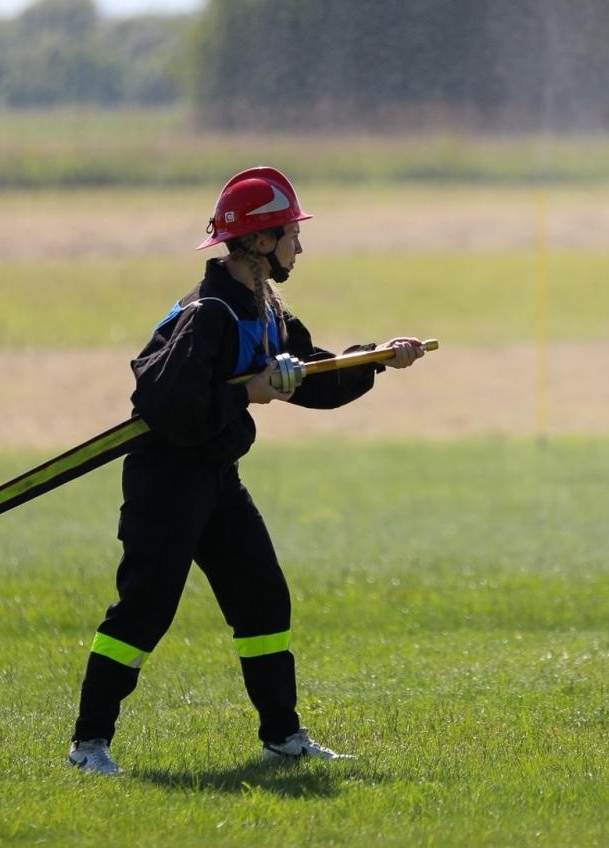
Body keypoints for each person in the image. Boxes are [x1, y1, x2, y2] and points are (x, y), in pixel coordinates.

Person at [67, 166, 426, 776]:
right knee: (144, 611)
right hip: (166, 483)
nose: (299, 246)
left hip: (217, 480)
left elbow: (313, 379)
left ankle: (282, 737)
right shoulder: (206, 314)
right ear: (260, 241)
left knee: (263, 600)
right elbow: (163, 405)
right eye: (291, 233)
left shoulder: (267, 309)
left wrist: (376, 359)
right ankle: (88, 745)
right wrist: (248, 393)